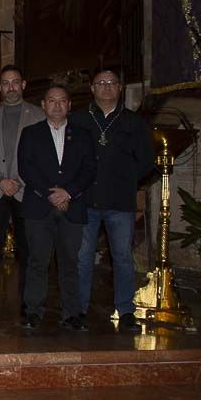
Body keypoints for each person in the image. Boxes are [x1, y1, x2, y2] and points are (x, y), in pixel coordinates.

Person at [71, 70, 153, 333]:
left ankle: (126, 310)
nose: (106, 88)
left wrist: (127, 180)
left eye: (111, 83)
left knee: (122, 258)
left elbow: (146, 160)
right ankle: (78, 309)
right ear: (92, 89)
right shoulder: (79, 120)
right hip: (86, 200)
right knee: (82, 258)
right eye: (101, 84)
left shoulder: (134, 122)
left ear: (120, 88)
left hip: (120, 201)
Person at [18, 85, 97, 331]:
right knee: (38, 261)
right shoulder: (31, 133)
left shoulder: (83, 134)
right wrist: (51, 194)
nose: (57, 105)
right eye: (51, 101)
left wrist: (68, 192)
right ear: (43, 105)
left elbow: (89, 169)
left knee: (70, 262)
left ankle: (72, 313)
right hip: (39, 206)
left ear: (69, 105)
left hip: (71, 207)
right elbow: (26, 168)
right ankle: (33, 311)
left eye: (62, 101)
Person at [0, 64, 44, 319]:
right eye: (5, 83)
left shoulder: (38, 115)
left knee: (27, 249)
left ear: (23, 85)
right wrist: (1, 180)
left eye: (15, 82)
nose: (10, 87)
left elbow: (41, 157)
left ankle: (28, 302)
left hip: (26, 191)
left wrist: (19, 182)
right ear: (0, 87)